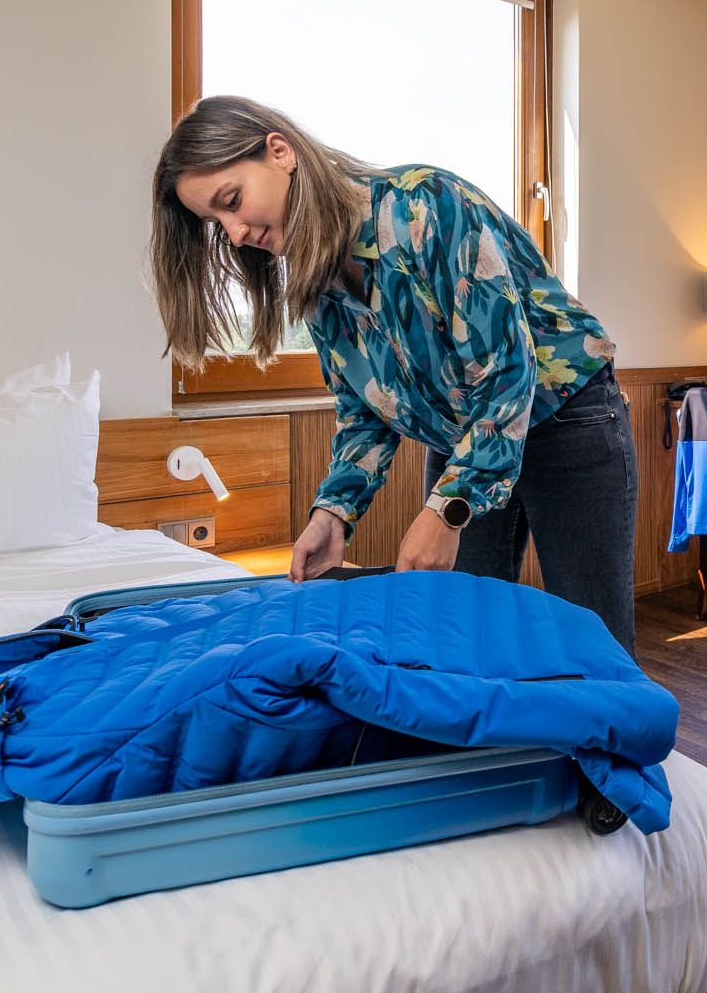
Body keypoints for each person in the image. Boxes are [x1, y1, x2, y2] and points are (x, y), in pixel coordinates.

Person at [150, 95, 639, 653]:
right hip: (467, 441)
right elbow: (365, 412)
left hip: (568, 419)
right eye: (216, 223)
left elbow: (506, 373)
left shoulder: (424, 206)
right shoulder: (317, 286)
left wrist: (446, 510)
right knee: (462, 632)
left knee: (592, 640)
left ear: (280, 152)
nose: (234, 233)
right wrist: (333, 514)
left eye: (232, 201)